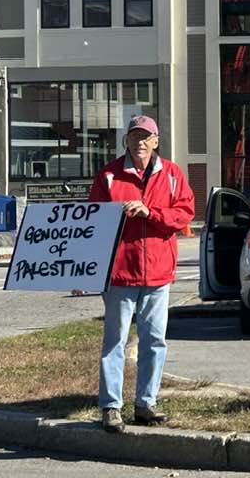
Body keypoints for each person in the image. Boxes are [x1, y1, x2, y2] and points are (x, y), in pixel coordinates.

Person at [88, 115, 195, 433]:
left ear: (156, 141)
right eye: (134, 136)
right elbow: (93, 220)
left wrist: (151, 212)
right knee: (115, 341)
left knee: (155, 341)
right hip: (119, 273)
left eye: (146, 136)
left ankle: (146, 404)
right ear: (127, 140)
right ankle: (111, 407)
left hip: (158, 273)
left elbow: (185, 214)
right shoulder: (109, 176)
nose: (140, 142)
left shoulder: (172, 174)